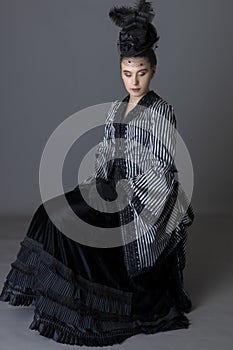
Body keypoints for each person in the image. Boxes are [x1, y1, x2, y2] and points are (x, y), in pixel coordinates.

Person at [0, 0, 195, 347]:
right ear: (120, 70)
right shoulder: (116, 109)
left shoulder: (161, 110)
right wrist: (96, 187)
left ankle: (89, 299)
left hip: (141, 199)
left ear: (153, 70)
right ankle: (50, 291)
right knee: (50, 211)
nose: (134, 80)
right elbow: (105, 152)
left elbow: (162, 168)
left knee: (75, 224)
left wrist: (128, 196)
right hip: (109, 188)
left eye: (141, 71)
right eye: (127, 72)